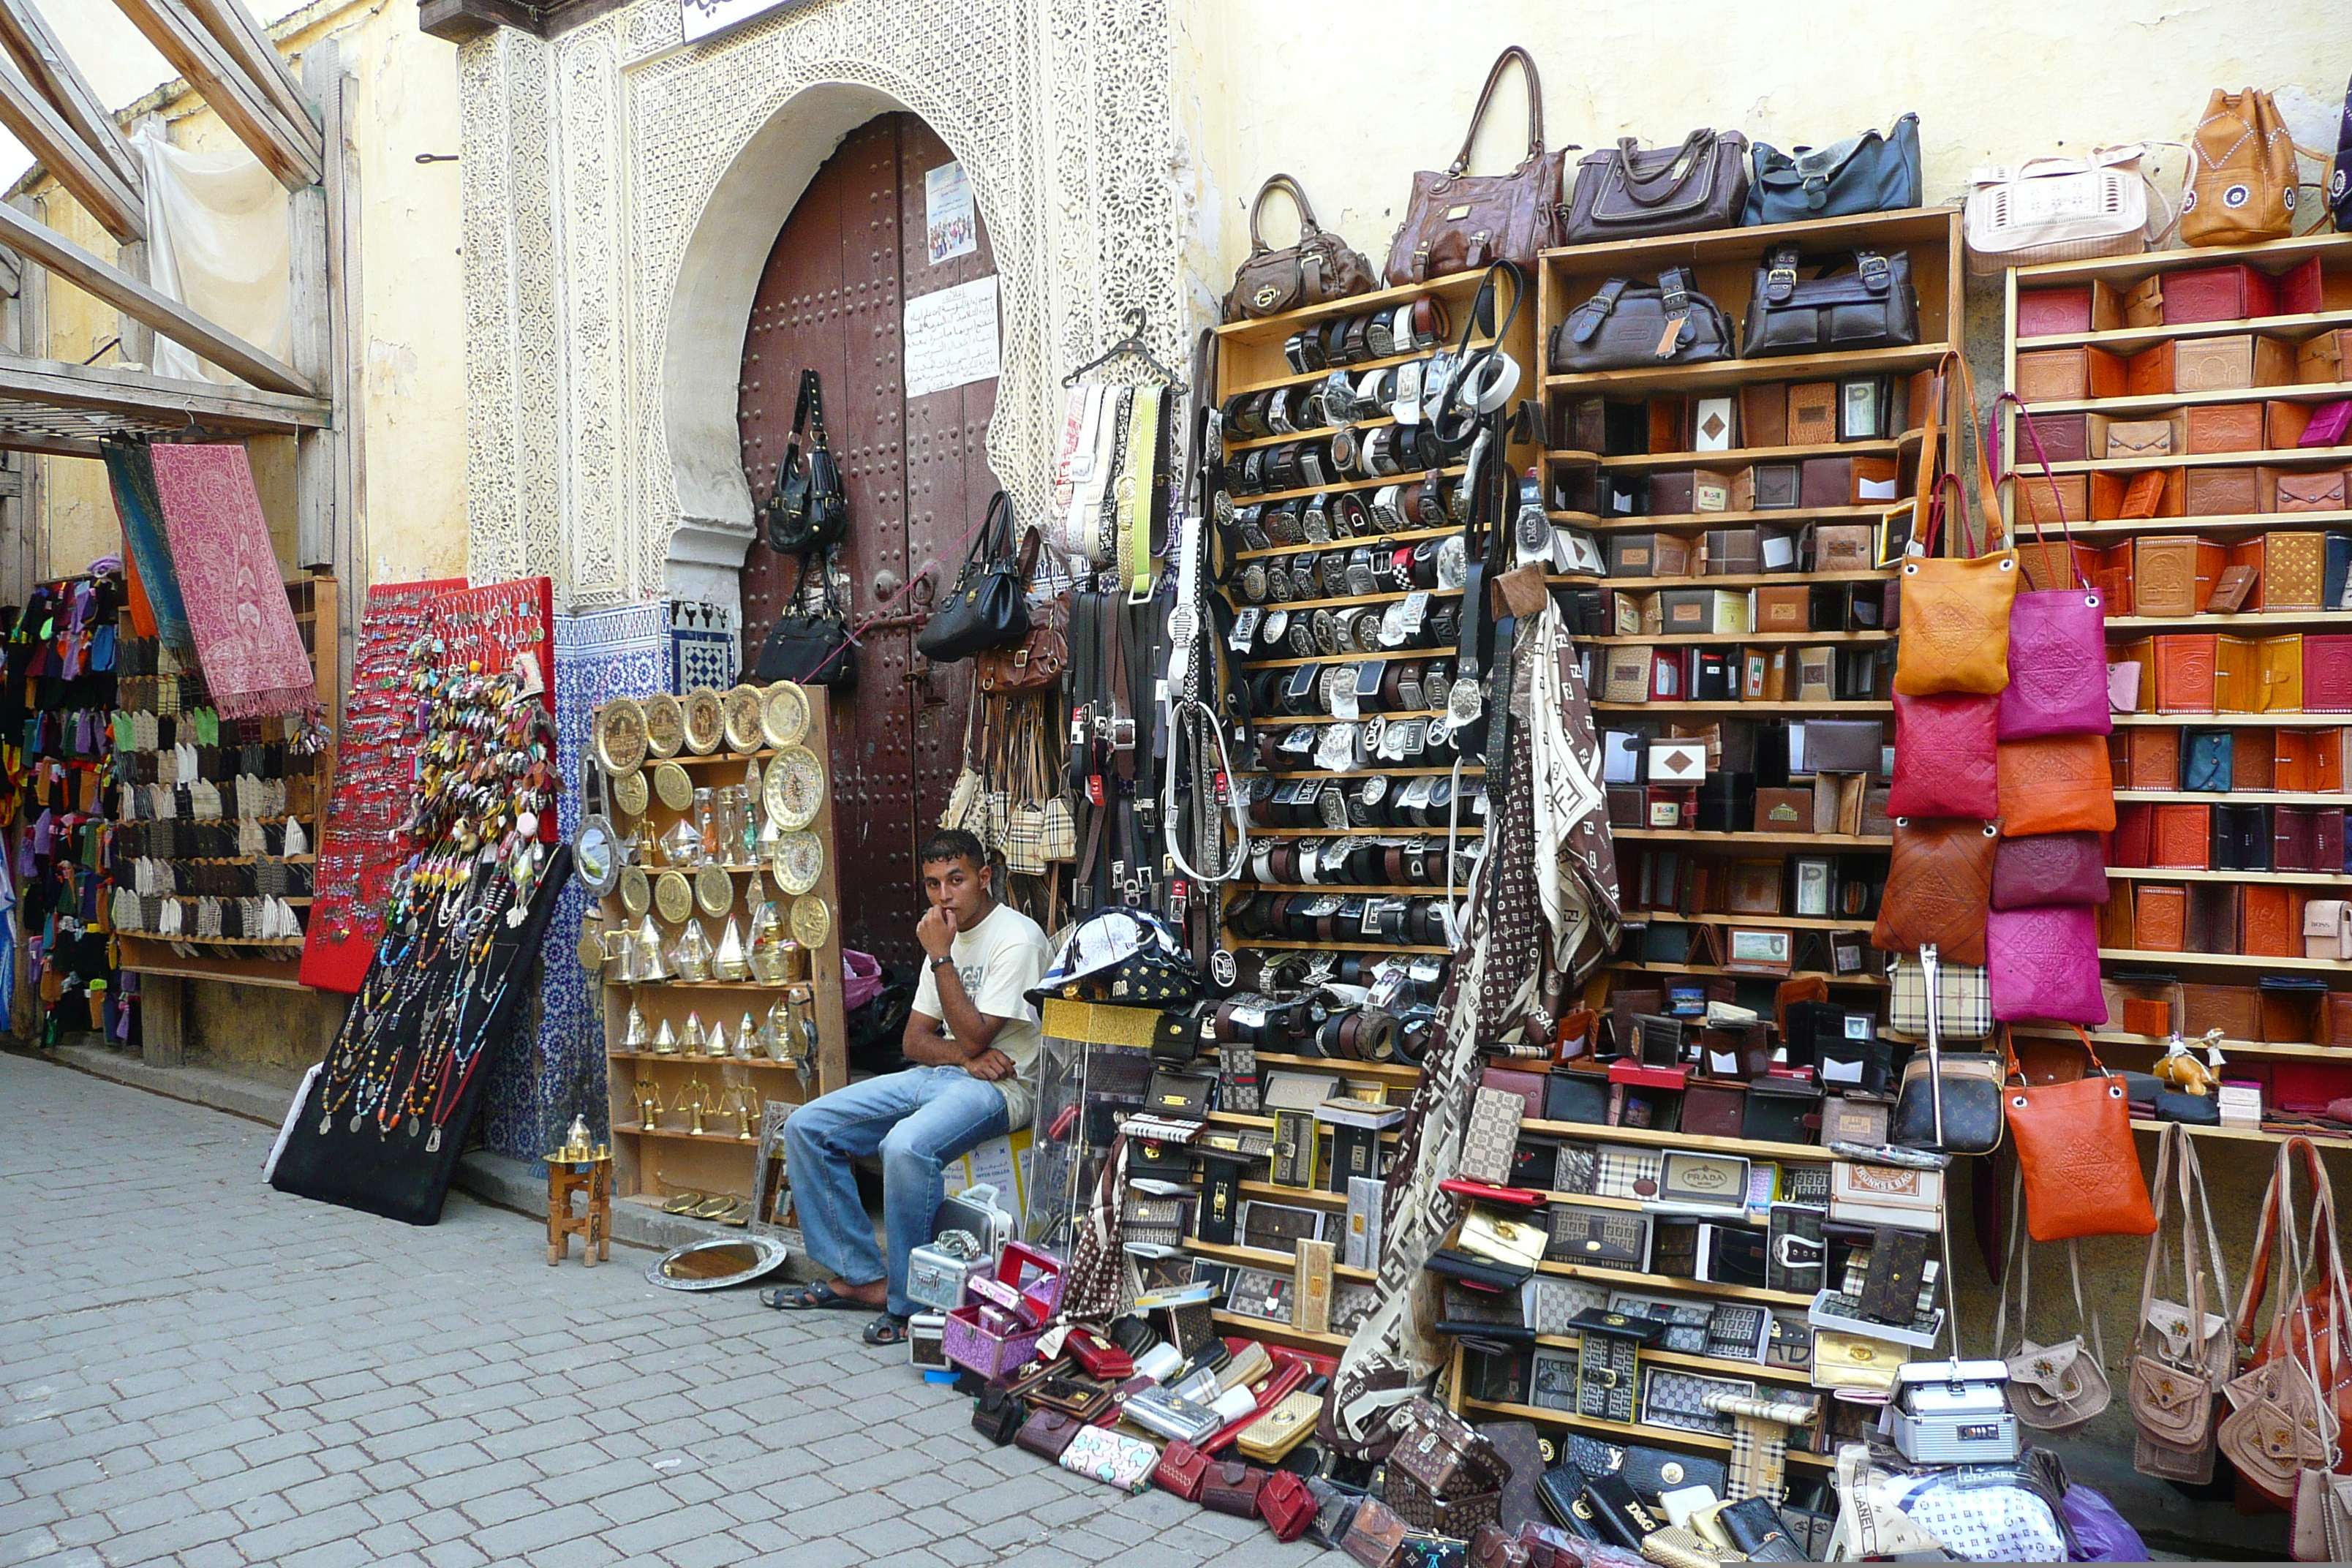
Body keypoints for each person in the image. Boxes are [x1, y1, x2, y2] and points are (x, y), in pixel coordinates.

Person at [767, 829, 1051, 1346]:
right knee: (809, 1127)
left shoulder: (1018, 938)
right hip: (947, 1075)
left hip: (1005, 1089)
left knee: (905, 1147)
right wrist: (965, 1056)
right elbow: (916, 1041)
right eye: (933, 884)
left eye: (957, 881)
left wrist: (942, 959)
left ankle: (910, 1300)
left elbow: (970, 1032)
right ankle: (860, 1278)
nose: (944, 896)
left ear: (984, 878)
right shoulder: (941, 935)